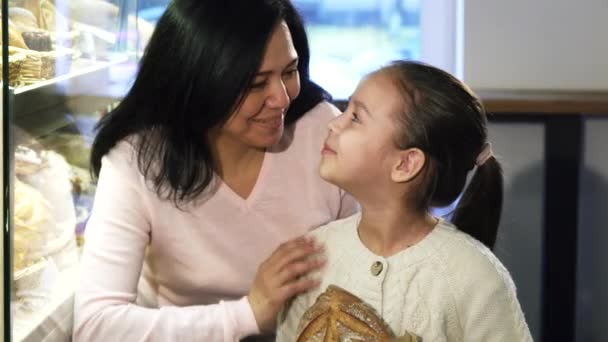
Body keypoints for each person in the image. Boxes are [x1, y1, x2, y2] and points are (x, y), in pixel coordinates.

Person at [72, 0, 358, 341]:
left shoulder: (321, 132)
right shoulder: (137, 162)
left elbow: (364, 267)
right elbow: (95, 326)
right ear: (198, 80)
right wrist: (248, 314)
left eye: (289, 72)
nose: (282, 99)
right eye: (256, 84)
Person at [276, 61, 533, 341]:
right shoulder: (312, 256)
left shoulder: (476, 276)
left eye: (356, 117)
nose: (334, 123)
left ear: (406, 163)